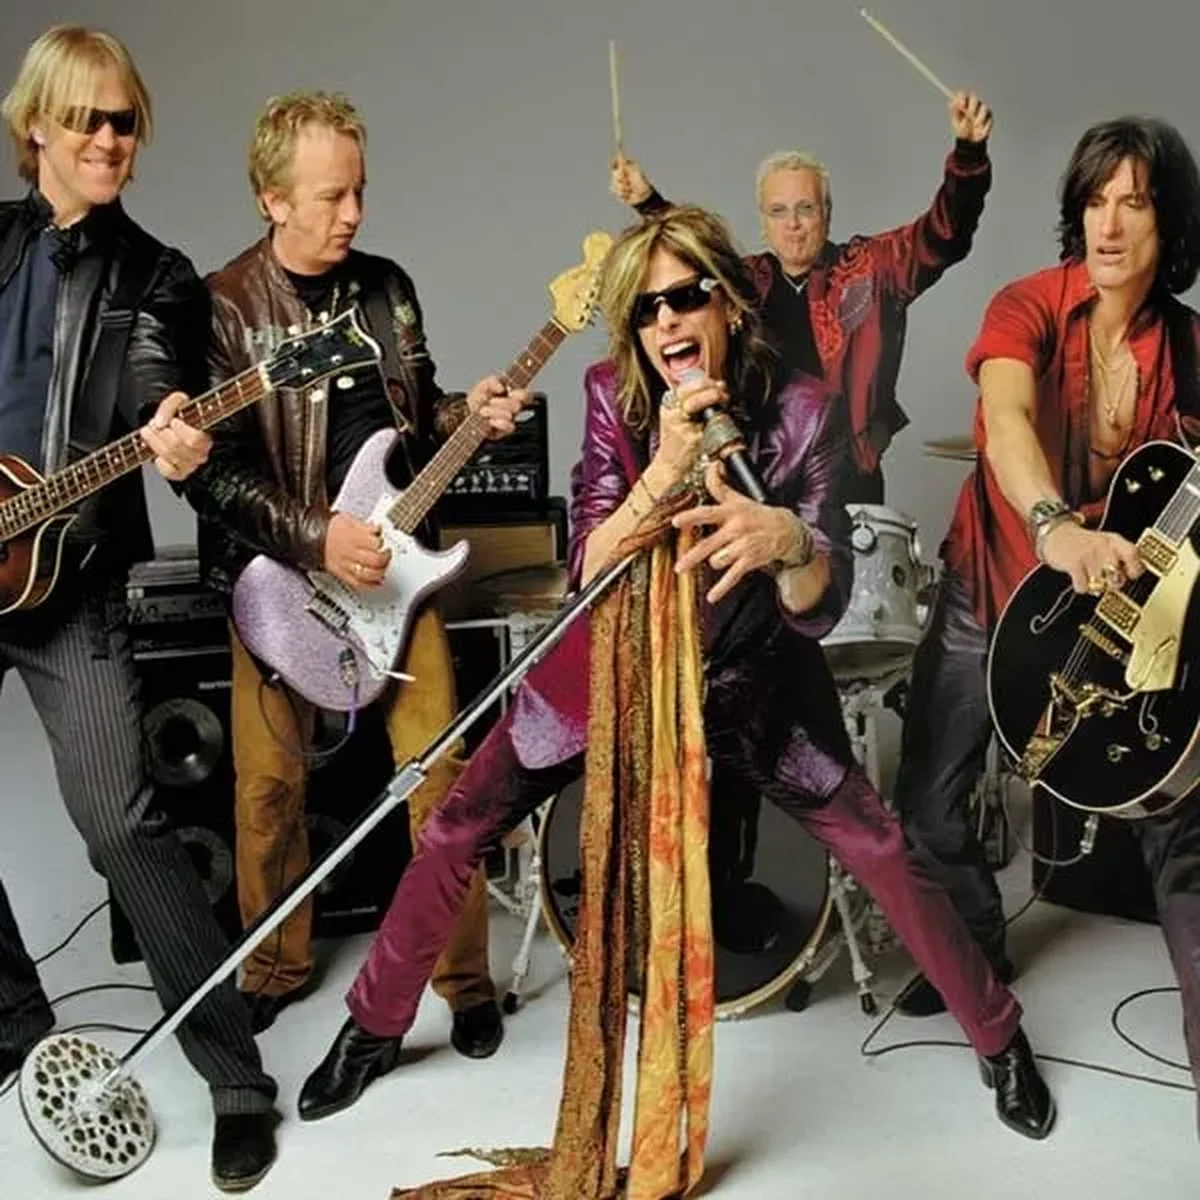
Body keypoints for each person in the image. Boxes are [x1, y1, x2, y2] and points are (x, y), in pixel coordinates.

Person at [297, 205, 1054, 1169]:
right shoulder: (611, 395)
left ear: (728, 304)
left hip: (749, 678)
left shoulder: (805, 412)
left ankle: (999, 1036)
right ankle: (372, 1026)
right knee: (456, 826)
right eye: (645, 309)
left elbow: (820, 605)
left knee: (881, 844)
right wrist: (662, 469)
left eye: (686, 297)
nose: (666, 322)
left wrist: (791, 543)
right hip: (607, 671)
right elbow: (590, 564)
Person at [182, 91, 524, 1055]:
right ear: (272, 198)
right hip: (279, 581)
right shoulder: (224, 307)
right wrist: (314, 537)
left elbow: (415, 419)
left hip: (400, 567)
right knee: (265, 792)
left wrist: (469, 414)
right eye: (332, 196)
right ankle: (273, 967)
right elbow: (209, 474)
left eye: (360, 191)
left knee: (443, 778)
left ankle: (463, 980)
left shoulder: (386, 287)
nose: (355, 214)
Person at [0, 25, 279, 1191]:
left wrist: (171, 430)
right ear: (38, 129)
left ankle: (235, 1078)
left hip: (68, 586)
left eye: (125, 121)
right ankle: (17, 1027)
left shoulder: (154, 273)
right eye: (89, 119)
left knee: (121, 825)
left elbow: (162, 374)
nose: (112, 138)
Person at [890, 115, 1200, 1063]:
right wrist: (1055, 526)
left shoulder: (1190, 349)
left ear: (1170, 223)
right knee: (930, 804)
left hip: (1117, 615)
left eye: (1133, 204)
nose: (1109, 224)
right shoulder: (1027, 303)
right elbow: (1007, 416)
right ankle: (980, 946)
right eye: (1095, 201)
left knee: (1179, 822)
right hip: (996, 580)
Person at [610, 91, 993, 502]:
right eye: (778, 211)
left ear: (827, 212)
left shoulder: (874, 268)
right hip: (757, 471)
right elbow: (694, 253)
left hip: (849, 477)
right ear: (763, 221)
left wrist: (968, 154)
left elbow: (943, 234)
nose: (793, 224)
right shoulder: (743, 282)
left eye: (806, 208)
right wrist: (648, 203)